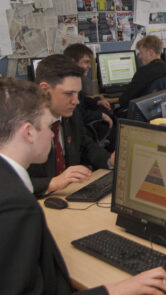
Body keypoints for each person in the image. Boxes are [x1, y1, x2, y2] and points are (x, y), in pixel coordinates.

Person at [0, 78, 166, 295]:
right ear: (28, 132)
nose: (52, 133)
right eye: (49, 126)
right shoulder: (15, 205)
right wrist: (114, 291)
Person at [26, 55, 115, 197]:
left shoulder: (70, 115)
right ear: (44, 90)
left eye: (78, 94)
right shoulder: (19, 126)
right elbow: (9, 180)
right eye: (69, 94)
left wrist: (109, 160)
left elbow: (86, 146)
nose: (76, 101)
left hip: (67, 198)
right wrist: (52, 183)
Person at [119, 36, 166, 108]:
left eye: (141, 52)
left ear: (151, 52)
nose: (139, 56)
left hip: (148, 116)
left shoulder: (143, 73)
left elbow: (124, 101)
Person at [63, 43, 113, 129]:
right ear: (72, 62)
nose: (89, 66)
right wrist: (100, 115)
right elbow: (79, 115)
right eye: (86, 62)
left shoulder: (75, 81)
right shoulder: (67, 87)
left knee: (107, 110)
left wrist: (96, 102)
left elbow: (82, 100)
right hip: (78, 130)